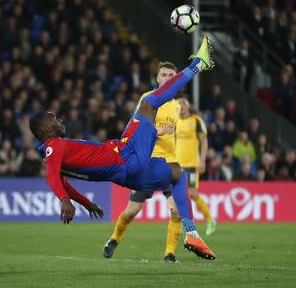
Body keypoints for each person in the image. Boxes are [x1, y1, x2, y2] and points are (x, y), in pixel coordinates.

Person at [30, 36, 216, 260]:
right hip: (125, 156)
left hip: (129, 176)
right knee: (150, 104)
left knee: (177, 174)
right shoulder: (54, 146)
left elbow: (62, 183)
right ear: (46, 129)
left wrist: (86, 203)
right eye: (54, 119)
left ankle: (192, 232)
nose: (60, 120)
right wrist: (64, 201)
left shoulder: (52, 154)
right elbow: (53, 179)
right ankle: (198, 64)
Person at [103, 61, 184, 263]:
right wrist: (158, 131)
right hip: (147, 162)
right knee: (132, 211)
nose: (166, 78)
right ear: (157, 78)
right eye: (163, 75)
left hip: (170, 163)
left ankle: (169, 253)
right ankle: (114, 238)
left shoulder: (176, 105)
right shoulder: (148, 99)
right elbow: (136, 128)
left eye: (170, 75)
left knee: (177, 210)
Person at [176, 95, 216, 234]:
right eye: (179, 103)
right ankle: (180, 225)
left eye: (184, 103)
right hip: (177, 165)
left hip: (192, 164)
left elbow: (204, 141)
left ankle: (210, 220)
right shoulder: (174, 121)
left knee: (192, 194)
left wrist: (203, 160)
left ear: (189, 105)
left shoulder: (196, 120)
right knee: (177, 196)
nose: (182, 105)